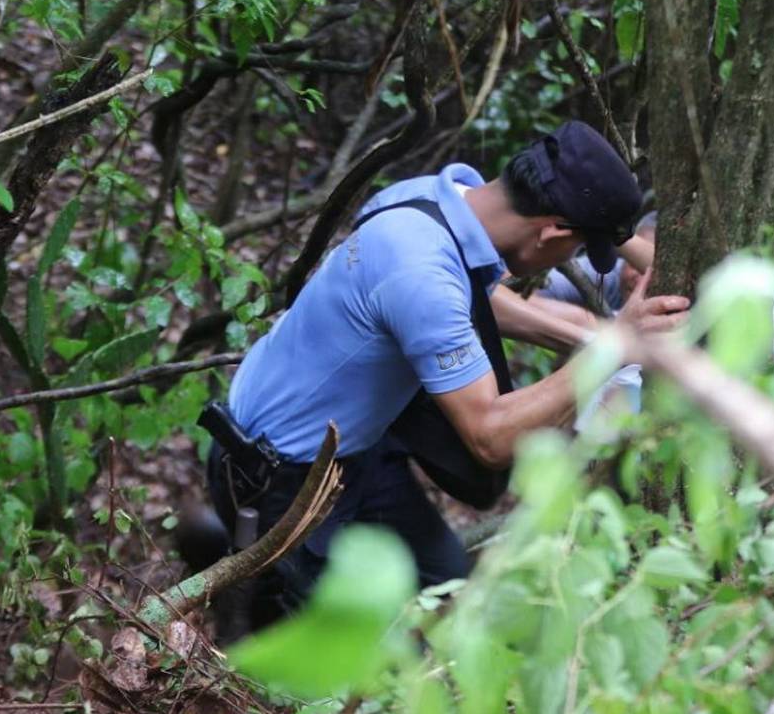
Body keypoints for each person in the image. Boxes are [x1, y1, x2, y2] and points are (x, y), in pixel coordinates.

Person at [204, 121, 690, 632]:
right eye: (573, 251)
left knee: (444, 582)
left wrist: (594, 334)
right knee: (361, 663)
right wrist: (614, 349)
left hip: (350, 447)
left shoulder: (432, 200)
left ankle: (242, 574)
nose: (566, 261)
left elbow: (474, 305)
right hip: (281, 475)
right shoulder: (422, 274)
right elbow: (491, 438)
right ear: (552, 231)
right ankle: (239, 583)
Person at [493, 211, 774, 427]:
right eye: (637, 266)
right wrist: (598, 327)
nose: (643, 277)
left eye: (653, 265)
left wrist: (610, 333)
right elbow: (496, 295)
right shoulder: (615, 275)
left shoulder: (747, 290)